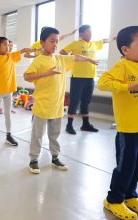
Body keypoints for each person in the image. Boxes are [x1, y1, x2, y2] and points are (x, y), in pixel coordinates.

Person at [24, 27, 97, 174]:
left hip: (57, 105)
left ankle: (55, 157)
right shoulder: (39, 60)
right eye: (52, 41)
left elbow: (75, 57)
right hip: (42, 105)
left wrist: (89, 59)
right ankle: (33, 159)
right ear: (42, 43)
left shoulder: (60, 59)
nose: (55, 45)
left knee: (54, 134)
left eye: (57, 42)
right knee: (37, 135)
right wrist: (46, 73)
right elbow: (27, 76)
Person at [98, 26, 138, 220]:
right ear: (125, 50)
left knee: (137, 164)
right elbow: (102, 83)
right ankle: (114, 199)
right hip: (128, 128)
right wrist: (127, 86)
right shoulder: (123, 66)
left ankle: (130, 195)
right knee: (126, 165)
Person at [60, 24, 116, 134]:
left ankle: (85, 124)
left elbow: (104, 40)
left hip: (90, 77)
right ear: (81, 33)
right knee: (75, 101)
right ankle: (69, 125)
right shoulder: (75, 43)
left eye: (91, 32)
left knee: (86, 101)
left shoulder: (93, 44)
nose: (91, 33)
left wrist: (113, 38)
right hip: (77, 77)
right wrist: (71, 56)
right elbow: (62, 52)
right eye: (88, 32)